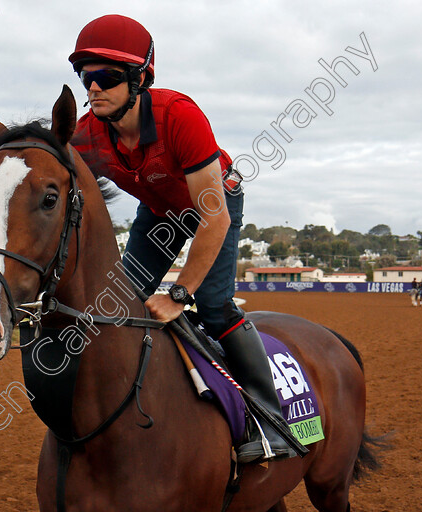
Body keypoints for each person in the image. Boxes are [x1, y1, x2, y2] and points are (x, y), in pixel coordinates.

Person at [68, 14, 295, 463]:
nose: (92, 88)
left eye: (107, 77)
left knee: (213, 307)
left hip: (215, 205)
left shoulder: (179, 116)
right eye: (84, 76)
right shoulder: (85, 136)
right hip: (159, 212)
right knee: (117, 301)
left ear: (140, 79)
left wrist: (178, 292)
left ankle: (271, 423)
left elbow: (214, 222)